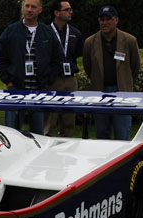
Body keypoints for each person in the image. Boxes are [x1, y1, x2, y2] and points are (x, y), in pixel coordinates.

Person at [0, 0, 64, 135]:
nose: (29, 9)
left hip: (38, 91)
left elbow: (57, 60)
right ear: (23, 8)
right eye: (27, 6)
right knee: (12, 133)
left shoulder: (47, 33)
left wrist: (47, 80)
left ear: (40, 10)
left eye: (33, 7)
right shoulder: (11, 31)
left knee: (38, 134)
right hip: (15, 91)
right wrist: (8, 81)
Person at [83, 6, 141, 140]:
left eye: (108, 19)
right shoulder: (90, 42)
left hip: (122, 93)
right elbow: (88, 67)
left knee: (123, 134)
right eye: (102, 20)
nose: (104, 23)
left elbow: (135, 66)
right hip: (100, 93)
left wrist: (125, 82)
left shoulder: (130, 40)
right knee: (102, 135)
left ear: (116, 20)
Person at [44, 1, 83, 137]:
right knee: (50, 120)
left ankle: (67, 148)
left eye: (71, 9)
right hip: (53, 80)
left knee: (69, 119)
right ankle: (48, 151)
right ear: (56, 13)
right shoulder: (45, 32)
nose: (70, 12)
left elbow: (77, 53)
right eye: (67, 10)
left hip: (70, 80)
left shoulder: (75, 33)